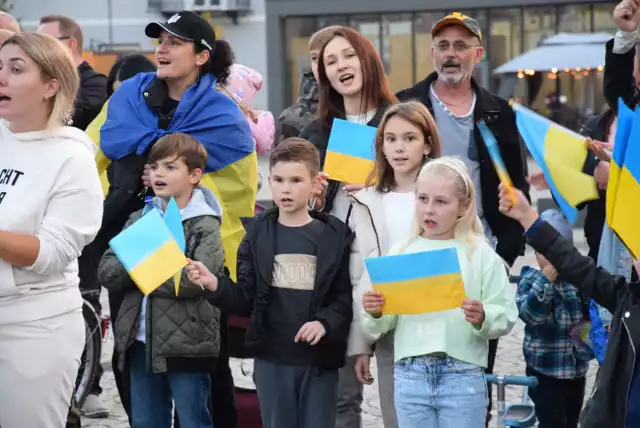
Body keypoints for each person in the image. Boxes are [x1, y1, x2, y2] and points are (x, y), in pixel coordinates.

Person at [90, 11, 257, 428]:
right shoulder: (128, 97)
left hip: (193, 257)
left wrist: (175, 206)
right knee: (131, 359)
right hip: (132, 244)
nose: (161, 49)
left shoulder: (223, 115)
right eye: (159, 40)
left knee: (201, 374)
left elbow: (239, 193)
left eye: (174, 42)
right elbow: (87, 156)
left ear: (202, 55)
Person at [396, 13, 530, 422]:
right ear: (433, 52)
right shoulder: (406, 105)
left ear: (477, 53)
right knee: (414, 358)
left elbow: (516, 183)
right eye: (443, 46)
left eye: (460, 46)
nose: (450, 54)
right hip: (421, 249)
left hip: (477, 253)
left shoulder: (498, 112)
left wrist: (504, 250)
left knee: (474, 369)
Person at [186, 138, 354, 428]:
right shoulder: (256, 234)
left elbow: (342, 297)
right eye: (278, 179)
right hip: (272, 358)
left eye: (296, 180)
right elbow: (245, 297)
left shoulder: (335, 236)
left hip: (319, 360)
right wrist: (216, 284)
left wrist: (324, 323)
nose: (286, 188)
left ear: (316, 183)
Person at [361, 157, 518, 428]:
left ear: (464, 206)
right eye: (422, 198)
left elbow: (506, 313)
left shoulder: (480, 254)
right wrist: (375, 311)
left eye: (441, 201)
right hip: (410, 377)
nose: (429, 209)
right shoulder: (402, 251)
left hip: (463, 375)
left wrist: (483, 315)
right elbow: (384, 322)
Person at [0, 32, 103, 428]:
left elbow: (53, 253)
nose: (2, 77)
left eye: (16, 69)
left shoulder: (70, 156)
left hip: (34, 329)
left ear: (51, 85)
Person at [299, 25, 398, 428]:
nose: (340, 66)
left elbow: (429, 189)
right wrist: (315, 200)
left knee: (400, 399)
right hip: (337, 273)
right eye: (329, 61)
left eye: (347, 55)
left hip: (391, 267)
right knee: (340, 402)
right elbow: (299, 209)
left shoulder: (401, 118)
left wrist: (383, 183)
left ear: (367, 58)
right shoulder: (316, 132)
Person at [98, 133, 224, 428]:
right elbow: (106, 270)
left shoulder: (204, 223)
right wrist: (156, 266)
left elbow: (196, 281)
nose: (158, 174)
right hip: (139, 341)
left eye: (170, 167)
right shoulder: (140, 218)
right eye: (154, 167)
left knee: (194, 419)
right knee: (144, 420)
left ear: (195, 175)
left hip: (188, 344)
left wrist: (138, 263)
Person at [497, 184, 640, 428]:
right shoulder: (626, 297)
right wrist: (527, 216)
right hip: (547, 372)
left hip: (575, 371)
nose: (634, 258)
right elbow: (572, 267)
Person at [348, 101, 441, 428]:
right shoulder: (368, 201)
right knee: (396, 419)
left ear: (427, 143)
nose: (399, 147)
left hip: (442, 329)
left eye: (410, 138)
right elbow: (360, 272)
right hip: (390, 331)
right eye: (390, 139)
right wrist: (362, 344)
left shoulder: (446, 195)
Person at [37, 14, 110, 417]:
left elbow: (78, 119)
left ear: (70, 45)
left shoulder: (93, 86)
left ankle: (87, 383)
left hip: (77, 231)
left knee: (84, 297)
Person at [515, 209, 594, 428]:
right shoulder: (530, 280)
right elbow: (530, 315)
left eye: (556, 253)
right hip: (545, 371)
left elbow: (588, 318)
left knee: (571, 421)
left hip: (576, 370)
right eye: (543, 253)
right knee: (552, 422)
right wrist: (546, 281)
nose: (550, 260)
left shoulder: (577, 280)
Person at [38, 15, 108, 131]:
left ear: (70, 44)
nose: (38, 49)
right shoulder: (39, 81)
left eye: (46, 42)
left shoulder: (96, 84)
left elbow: (75, 120)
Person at [278, 26, 341, 143]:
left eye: (330, 57)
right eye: (315, 58)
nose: (320, 64)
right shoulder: (293, 118)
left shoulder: (367, 109)